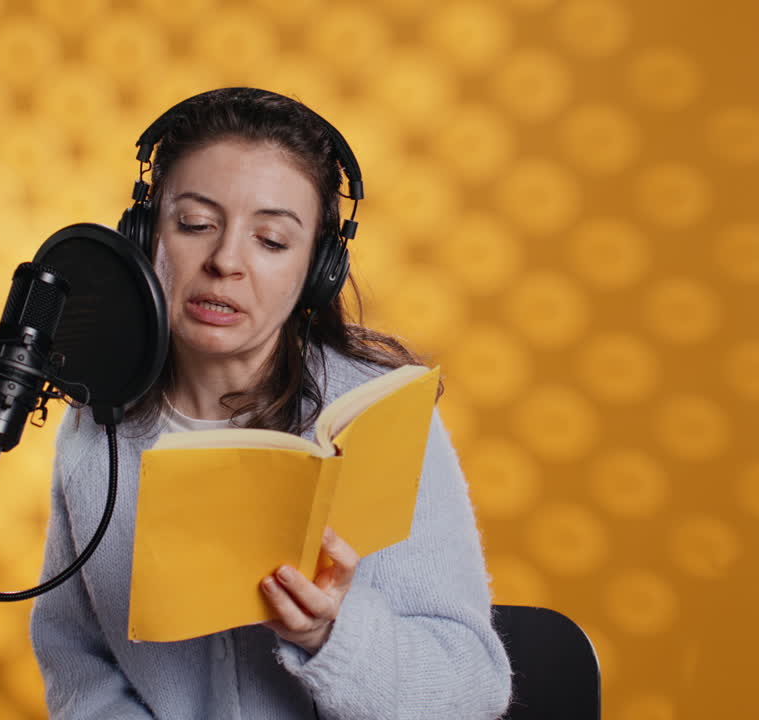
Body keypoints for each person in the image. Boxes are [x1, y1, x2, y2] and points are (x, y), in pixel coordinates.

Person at [30, 87, 511, 719]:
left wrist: (330, 635)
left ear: (318, 268)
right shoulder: (98, 420)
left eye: (272, 241)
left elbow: (472, 689)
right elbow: (77, 661)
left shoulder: (379, 416)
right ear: (145, 234)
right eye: (195, 224)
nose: (225, 261)